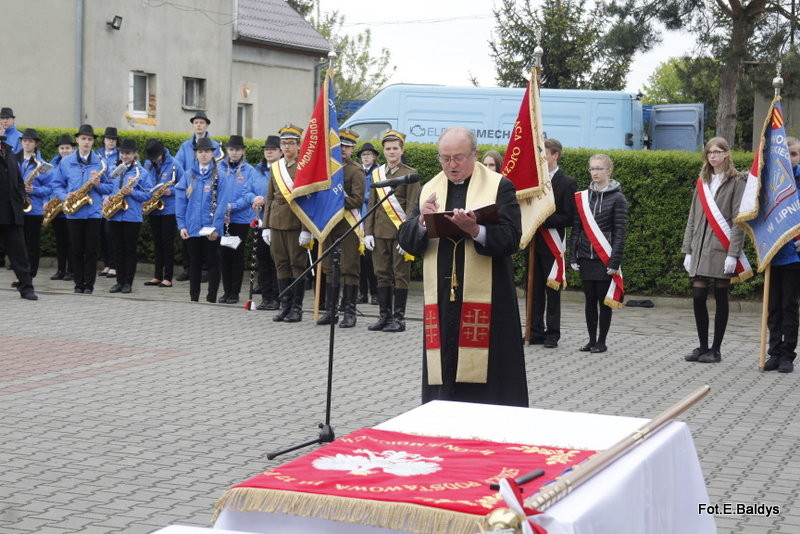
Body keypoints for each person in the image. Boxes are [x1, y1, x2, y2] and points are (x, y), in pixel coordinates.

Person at [398, 127, 527, 406]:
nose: (451, 166)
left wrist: (476, 229)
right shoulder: (429, 189)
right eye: (445, 159)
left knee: (490, 369)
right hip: (443, 297)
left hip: (489, 299)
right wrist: (421, 222)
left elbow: (512, 238)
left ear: (474, 155)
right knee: (444, 363)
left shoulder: (499, 186)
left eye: (458, 158)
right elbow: (407, 241)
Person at [682, 137, 747, 364]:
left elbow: (738, 219)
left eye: (718, 152)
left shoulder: (737, 181)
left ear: (727, 154)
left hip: (722, 247)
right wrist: (687, 249)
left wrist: (733, 253)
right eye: (710, 152)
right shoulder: (702, 181)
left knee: (721, 297)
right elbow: (692, 217)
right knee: (698, 295)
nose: (713, 156)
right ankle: (702, 346)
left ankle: (716, 349)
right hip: (700, 247)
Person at [570, 154, 628, 354]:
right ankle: (591, 339)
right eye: (592, 169)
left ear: (609, 171)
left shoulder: (618, 198)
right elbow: (577, 229)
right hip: (586, 256)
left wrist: (615, 260)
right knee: (589, 300)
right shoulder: (583, 197)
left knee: (604, 301)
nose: (595, 172)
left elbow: (620, 232)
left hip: (605, 258)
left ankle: (602, 341)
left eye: (599, 169)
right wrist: (573, 255)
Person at [365, 130, 419, 332]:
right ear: (384, 151)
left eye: (395, 148)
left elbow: (413, 207)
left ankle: (399, 319)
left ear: (402, 150)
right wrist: (368, 232)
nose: (392, 152)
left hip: (399, 233)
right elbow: (372, 204)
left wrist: (408, 236)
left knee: (400, 274)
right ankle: (384, 317)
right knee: (382, 274)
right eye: (388, 149)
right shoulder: (377, 173)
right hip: (379, 232)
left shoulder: (409, 174)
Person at [53, 124, 112, 295]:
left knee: (91, 250)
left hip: (93, 212)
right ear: (77, 140)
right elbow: (56, 185)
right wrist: (65, 196)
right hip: (74, 212)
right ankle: (78, 283)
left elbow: (109, 188)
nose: (86, 142)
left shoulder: (101, 163)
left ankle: (89, 285)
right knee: (76, 249)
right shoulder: (65, 162)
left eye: (89, 139)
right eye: (83, 139)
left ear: (93, 142)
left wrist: (98, 184)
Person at [529, 139, 577, 347]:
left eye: (544, 153)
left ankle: (552, 334)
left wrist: (543, 219)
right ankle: (535, 331)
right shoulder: (535, 180)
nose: (541, 158)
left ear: (555, 155)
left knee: (552, 289)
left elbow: (569, 216)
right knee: (534, 290)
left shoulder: (567, 182)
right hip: (534, 242)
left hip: (553, 243)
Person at [317, 128, 365, 328]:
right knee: (329, 268)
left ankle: (349, 312)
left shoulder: (355, 171)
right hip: (329, 223)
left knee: (349, 269)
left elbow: (357, 199)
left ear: (352, 148)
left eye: (346, 146)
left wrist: (335, 201)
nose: (342, 149)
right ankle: (330, 311)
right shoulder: (327, 168)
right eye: (340, 145)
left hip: (348, 224)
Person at [263, 124, 311, 322]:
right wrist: (266, 225)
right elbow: (270, 197)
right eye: (284, 143)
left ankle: (296, 308)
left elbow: (308, 200)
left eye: (291, 143)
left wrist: (306, 229)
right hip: (276, 221)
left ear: (299, 146)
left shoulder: (304, 166)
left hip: (295, 222)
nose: (287, 147)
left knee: (297, 265)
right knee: (281, 264)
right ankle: (284, 305)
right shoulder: (277, 167)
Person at [762, 136, 800, 374]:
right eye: (785, 154)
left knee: (788, 306)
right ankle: (774, 352)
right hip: (773, 252)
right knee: (773, 306)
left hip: (795, 256)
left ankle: (788, 354)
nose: (790, 158)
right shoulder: (771, 181)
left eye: (794, 153)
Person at [174, 111, 222, 282]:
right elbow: (178, 165)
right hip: (191, 184)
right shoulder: (186, 146)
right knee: (189, 234)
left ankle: (206, 271)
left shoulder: (215, 145)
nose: (199, 125)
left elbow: (219, 168)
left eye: (202, 122)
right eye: (196, 122)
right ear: (193, 125)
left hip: (207, 186)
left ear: (206, 125)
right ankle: (189, 269)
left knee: (208, 240)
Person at [104, 139, 152, 294]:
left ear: (134, 154)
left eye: (128, 153)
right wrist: (106, 197)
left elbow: (148, 195)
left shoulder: (141, 172)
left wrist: (132, 192)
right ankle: (119, 281)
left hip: (132, 216)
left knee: (129, 250)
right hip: (114, 214)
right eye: (123, 153)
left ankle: (128, 283)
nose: (125, 156)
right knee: (117, 249)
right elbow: (107, 188)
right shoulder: (114, 169)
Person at [214, 135, 256, 304]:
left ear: (243, 151)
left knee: (236, 255)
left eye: (238, 150)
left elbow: (248, 194)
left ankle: (235, 293)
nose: (234, 153)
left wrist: (232, 206)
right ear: (226, 151)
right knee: (224, 255)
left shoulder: (249, 170)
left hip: (240, 219)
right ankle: (226, 291)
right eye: (231, 149)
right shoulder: (218, 167)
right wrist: (220, 209)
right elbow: (214, 191)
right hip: (223, 219)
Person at [0, 132, 38, 300]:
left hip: (11, 211)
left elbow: (17, 178)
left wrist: (21, 194)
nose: (1, 128)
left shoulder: (8, 151)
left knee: (19, 252)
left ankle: (26, 287)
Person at [247, 135, 282, 310]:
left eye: (272, 149)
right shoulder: (257, 170)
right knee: (263, 260)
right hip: (260, 220)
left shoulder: (283, 170)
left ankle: (277, 297)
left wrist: (266, 202)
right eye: (266, 149)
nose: (268, 152)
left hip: (277, 221)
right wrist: (254, 198)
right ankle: (266, 297)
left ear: (280, 152)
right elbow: (247, 190)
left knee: (277, 260)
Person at [142, 139, 183, 288]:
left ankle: (168, 278)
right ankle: (157, 276)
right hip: (154, 209)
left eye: (155, 157)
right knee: (157, 243)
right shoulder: (149, 164)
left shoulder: (175, 165)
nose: (153, 160)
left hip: (169, 209)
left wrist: (170, 191)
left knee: (167, 244)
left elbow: (183, 186)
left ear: (162, 153)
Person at [18, 129, 51, 281]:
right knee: (19, 245)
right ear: (21, 142)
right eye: (25, 141)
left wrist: (34, 189)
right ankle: (21, 275)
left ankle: (30, 275)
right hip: (17, 208)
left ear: (36, 144)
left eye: (30, 141)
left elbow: (50, 188)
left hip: (34, 209)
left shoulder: (43, 165)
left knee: (32, 245)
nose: (27, 143)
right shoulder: (14, 159)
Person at [46, 134, 75, 281]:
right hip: (56, 208)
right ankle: (60, 269)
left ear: (72, 148)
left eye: (67, 148)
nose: (65, 151)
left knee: (71, 241)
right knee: (60, 241)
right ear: (58, 149)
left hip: (70, 207)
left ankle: (71, 271)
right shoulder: (52, 165)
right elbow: (49, 185)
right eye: (62, 148)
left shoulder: (74, 163)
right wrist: (47, 201)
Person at [357, 142, 379, 305]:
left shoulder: (378, 172)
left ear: (374, 157)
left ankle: (375, 293)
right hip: (357, 218)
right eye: (363, 155)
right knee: (359, 260)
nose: (366, 157)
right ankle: (362, 293)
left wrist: (361, 196)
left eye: (369, 155)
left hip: (371, 218)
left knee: (371, 260)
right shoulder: (358, 171)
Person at [96, 127, 119, 279]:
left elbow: (117, 180)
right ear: (104, 140)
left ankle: (114, 265)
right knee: (101, 235)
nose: (111, 141)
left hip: (112, 199)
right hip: (98, 199)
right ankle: (106, 264)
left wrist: (110, 197)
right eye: (108, 138)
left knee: (111, 234)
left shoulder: (120, 156)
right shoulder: (97, 155)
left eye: (113, 139)